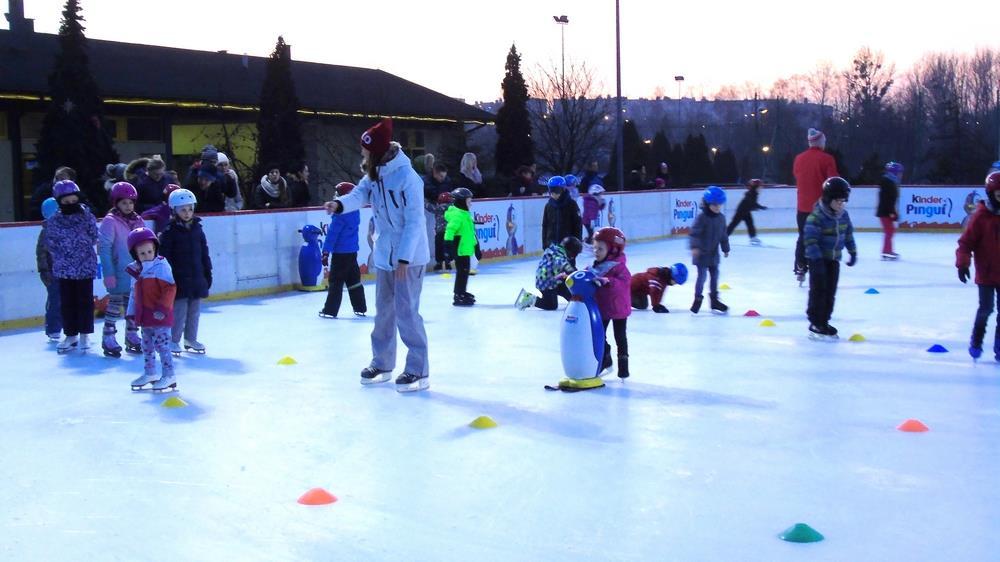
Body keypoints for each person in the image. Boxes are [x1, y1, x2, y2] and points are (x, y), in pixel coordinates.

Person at [324, 118, 431, 393]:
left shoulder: (407, 177)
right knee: (384, 312)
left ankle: (418, 369)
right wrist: (339, 205)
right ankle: (382, 362)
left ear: (378, 151)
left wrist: (405, 259)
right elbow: (359, 194)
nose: (362, 155)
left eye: (365, 151)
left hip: (409, 257)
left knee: (407, 313)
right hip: (385, 254)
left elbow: (415, 221)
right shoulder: (375, 174)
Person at [45, 180, 98, 353]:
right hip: (65, 269)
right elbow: (50, 243)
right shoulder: (54, 221)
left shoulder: (87, 216)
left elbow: (93, 235)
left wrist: (82, 250)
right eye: (65, 202)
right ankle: (70, 335)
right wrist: (62, 257)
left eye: (73, 200)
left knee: (85, 302)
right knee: (67, 303)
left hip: (85, 267)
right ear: (59, 202)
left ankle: (85, 334)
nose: (70, 204)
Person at [159, 189, 212, 355]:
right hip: (178, 279)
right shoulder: (169, 232)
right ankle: (173, 341)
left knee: (194, 311)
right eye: (183, 210)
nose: (187, 213)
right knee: (179, 312)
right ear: (174, 210)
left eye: (190, 209)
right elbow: (164, 256)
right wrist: (168, 278)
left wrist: (207, 272)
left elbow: (204, 252)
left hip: (196, 277)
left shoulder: (198, 229)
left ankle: (191, 338)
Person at [124, 227, 178, 392]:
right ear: (135, 255)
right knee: (146, 345)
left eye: (150, 251)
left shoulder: (161, 266)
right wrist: (131, 312)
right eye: (142, 253)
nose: (147, 255)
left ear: (155, 249)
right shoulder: (136, 271)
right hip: (146, 315)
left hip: (160, 315)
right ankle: (150, 373)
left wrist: (162, 308)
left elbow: (170, 288)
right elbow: (134, 293)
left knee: (162, 345)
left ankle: (169, 375)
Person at [804, 177, 857, 339]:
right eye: (838, 201)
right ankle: (815, 322)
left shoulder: (844, 216)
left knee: (830, 292)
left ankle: (824, 321)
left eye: (843, 202)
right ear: (828, 199)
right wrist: (817, 260)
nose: (841, 205)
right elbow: (810, 240)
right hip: (817, 261)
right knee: (818, 291)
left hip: (834, 260)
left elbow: (848, 234)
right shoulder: (817, 217)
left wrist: (852, 251)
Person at [97, 182, 146, 357]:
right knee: (114, 306)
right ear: (116, 203)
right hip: (118, 272)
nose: (128, 206)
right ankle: (108, 337)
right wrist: (109, 273)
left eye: (131, 202)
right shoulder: (110, 221)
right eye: (124, 202)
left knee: (133, 307)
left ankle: (132, 335)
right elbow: (104, 248)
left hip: (136, 274)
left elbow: (145, 245)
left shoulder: (138, 220)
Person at [956, 171, 1000, 360]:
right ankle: (976, 340)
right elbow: (965, 243)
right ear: (991, 194)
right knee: (986, 309)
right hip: (987, 275)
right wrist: (963, 264)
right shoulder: (980, 217)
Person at [792, 127, 838, 283]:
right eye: (824, 141)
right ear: (820, 142)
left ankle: (800, 266)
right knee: (821, 239)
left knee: (803, 236)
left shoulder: (798, 159)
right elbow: (834, 182)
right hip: (821, 208)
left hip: (802, 206)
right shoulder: (827, 159)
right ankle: (817, 267)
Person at [319, 182, 368, 319]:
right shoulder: (355, 211)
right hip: (352, 251)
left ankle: (330, 310)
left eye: (337, 194)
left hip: (340, 253)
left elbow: (332, 235)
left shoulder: (340, 215)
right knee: (354, 280)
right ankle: (360, 307)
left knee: (336, 281)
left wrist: (325, 252)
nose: (335, 196)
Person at [590, 227, 631, 379]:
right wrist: (569, 275)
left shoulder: (619, 266)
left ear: (613, 249)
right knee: (599, 334)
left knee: (620, 337)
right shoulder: (597, 266)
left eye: (600, 248)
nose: (596, 251)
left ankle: (623, 366)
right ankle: (605, 359)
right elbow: (585, 274)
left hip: (619, 308)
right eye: (594, 248)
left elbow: (624, 282)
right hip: (603, 307)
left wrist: (609, 281)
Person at [689, 186, 730, 314]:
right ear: (707, 204)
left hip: (713, 254)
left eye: (719, 205)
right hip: (701, 254)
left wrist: (725, 248)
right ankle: (697, 299)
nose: (717, 207)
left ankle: (714, 301)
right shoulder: (702, 218)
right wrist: (695, 247)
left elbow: (723, 235)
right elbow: (694, 233)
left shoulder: (721, 218)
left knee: (715, 277)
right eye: (714, 205)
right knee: (702, 277)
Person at [515, 236, 583, 311]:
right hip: (546, 283)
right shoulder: (558, 255)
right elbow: (562, 263)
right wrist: (572, 271)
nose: (574, 257)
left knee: (567, 286)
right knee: (551, 305)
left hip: (553, 280)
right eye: (574, 254)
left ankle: (573, 300)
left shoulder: (555, 249)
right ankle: (528, 298)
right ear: (570, 250)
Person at [444, 187, 480, 306]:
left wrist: (476, 248)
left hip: (465, 250)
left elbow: (471, 233)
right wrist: (448, 248)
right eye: (469, 201)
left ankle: (461, 292)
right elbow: (449, 231)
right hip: (460, 251)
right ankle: (458, 295)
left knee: (464, 273)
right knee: (462, 273)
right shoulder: (457, 215)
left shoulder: (465, 215)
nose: (471, 204)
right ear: (461, 202)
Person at [36, 197, 61, 342]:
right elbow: (41, 254)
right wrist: (44, 271)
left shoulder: (63, 229)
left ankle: (64, 326)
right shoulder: (46, 232)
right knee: (55, 300)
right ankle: (53, 328)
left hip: (64, 272)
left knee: (65, 300)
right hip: (52, 273)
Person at [542, 176, 582, 250]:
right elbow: (545, 226)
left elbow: (577, 225)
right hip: (551, 246)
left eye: (556, 191)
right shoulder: (548, 206)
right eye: (551, 191)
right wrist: (545, 244)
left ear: (563, 189)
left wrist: (577, 244)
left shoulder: (571, 204)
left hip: (568, 246)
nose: (553, 194)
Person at [726, 178, 768, 245]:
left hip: (746, 211)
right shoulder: (751, 194)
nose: (761, 188)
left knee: (750, 224)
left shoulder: (753, 193)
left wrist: (756, 207)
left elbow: (751, 204)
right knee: (733, 224)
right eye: (760, 186)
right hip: (741, 212)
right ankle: (723, 237)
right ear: (755, 187)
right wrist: (760, 207)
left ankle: (753, 237)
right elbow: (752, 203)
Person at [877, 162, 903, 260]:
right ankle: (886, 252)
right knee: (889, 231)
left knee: (890, 231)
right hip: (886, 212)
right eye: (899, 172)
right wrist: (892, 212)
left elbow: (890, 199)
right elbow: (887, 199)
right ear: (894, 172)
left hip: (886, 211)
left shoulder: (890, 181)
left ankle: (887, 251)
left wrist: (893, 211)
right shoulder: (888, 182)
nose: (900, 174)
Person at [425, 190, 453, 271]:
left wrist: (424, 202)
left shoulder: (442, 207)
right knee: (447, 247)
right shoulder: (453, 208)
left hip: (441, 231)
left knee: (439, 247)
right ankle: (448, 263)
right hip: (450, 231)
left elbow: (431, 208)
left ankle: (439, 263)